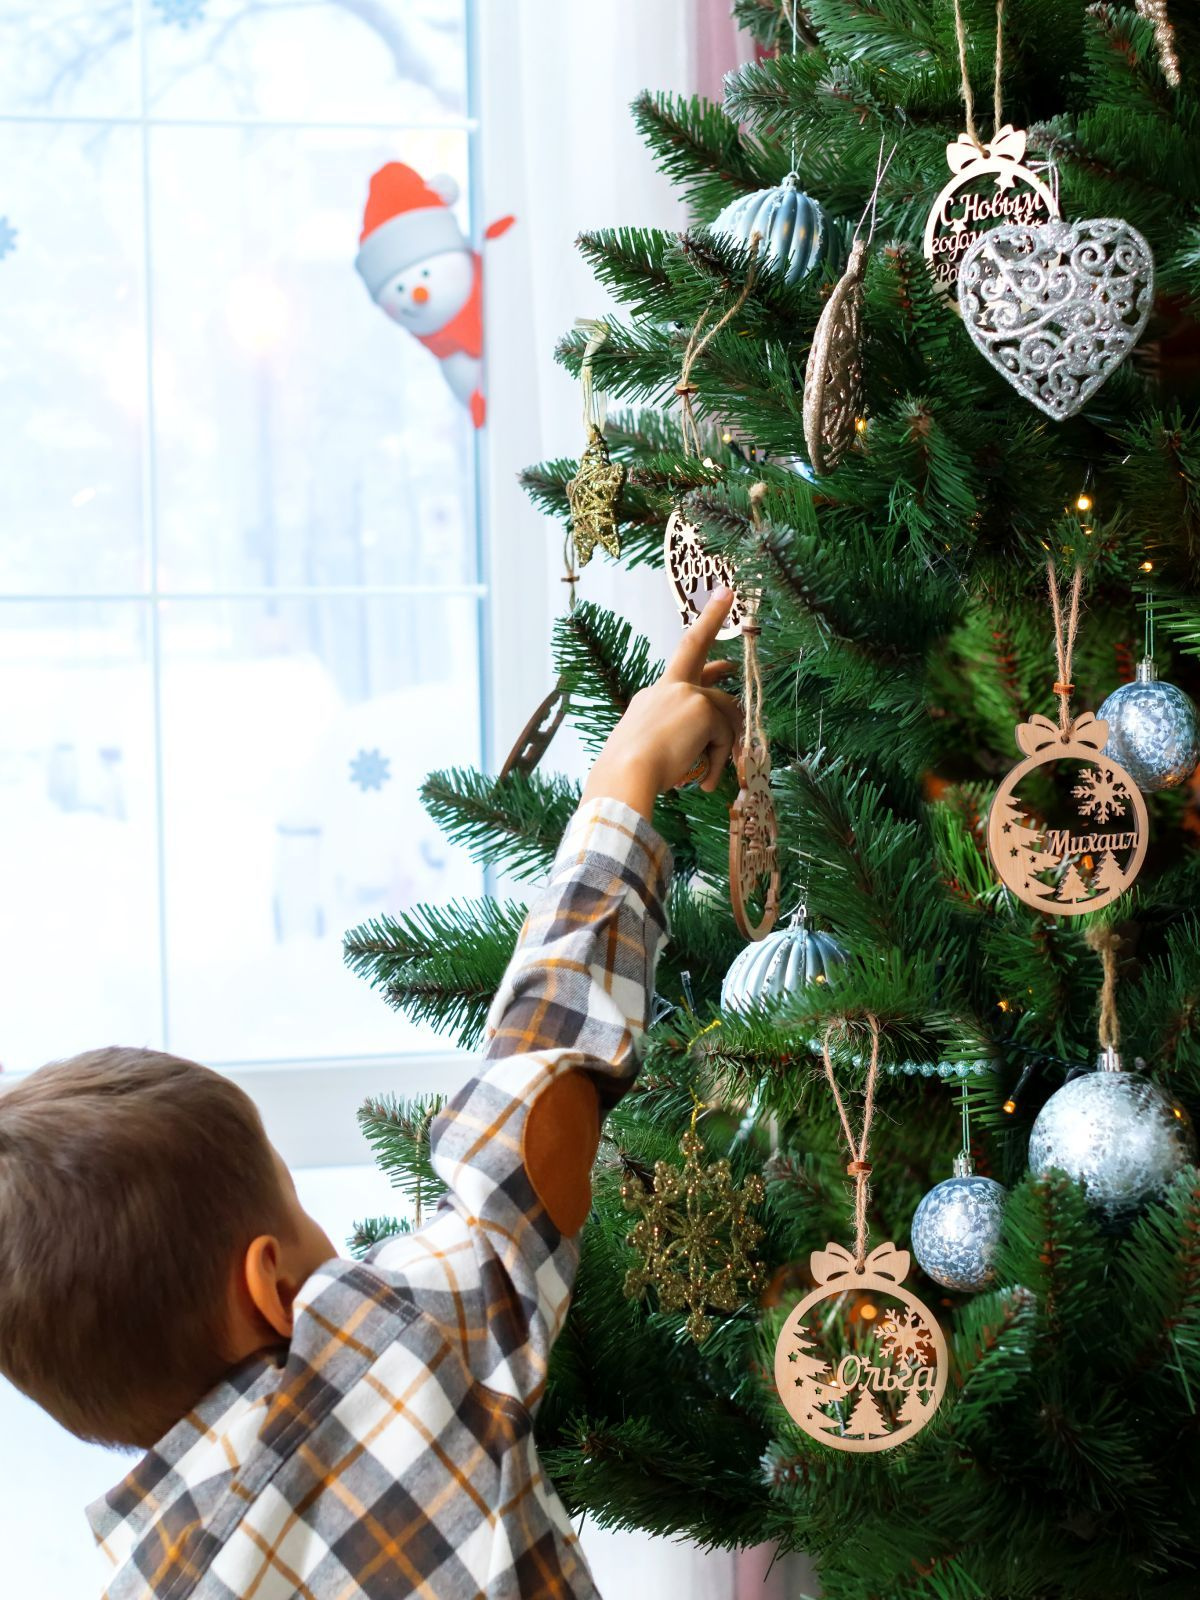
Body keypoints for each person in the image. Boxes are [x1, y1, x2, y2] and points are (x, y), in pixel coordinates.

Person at [0, 589, 741, 1600]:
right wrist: (627, 779)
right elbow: (528, 1105)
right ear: (270, 1288)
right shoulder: (373, 1359)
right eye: (301, 1212)